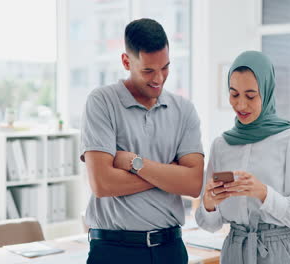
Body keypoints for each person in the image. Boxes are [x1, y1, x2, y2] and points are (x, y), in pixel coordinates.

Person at [80, 18, 204, 264]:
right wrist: (171, 174)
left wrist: (136, 163)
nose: (158, 78)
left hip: (170, 249)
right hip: (113, 249)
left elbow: (193, 184)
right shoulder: (102, 102)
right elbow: (102, 183)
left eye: (165, 67)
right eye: (148, 70)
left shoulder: (184, 110)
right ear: (126, 61)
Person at [195, 51, 290, 264]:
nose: (241, 105)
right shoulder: (221, 145)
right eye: (234, 94)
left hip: (279, 253)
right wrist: (209, 203)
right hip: (234, 250)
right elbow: (210, 224)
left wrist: (264, 193)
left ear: (267, 91)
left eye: (251, 96)